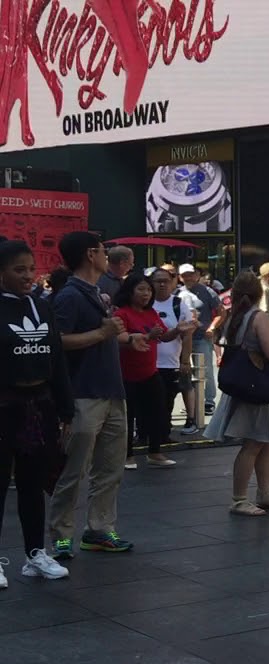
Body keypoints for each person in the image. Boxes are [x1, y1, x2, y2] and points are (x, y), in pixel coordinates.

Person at [48, 231, 136, 559]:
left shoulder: (98, 292)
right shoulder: (70, 295)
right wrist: (103, 332)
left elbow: (106, 335)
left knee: (110, 468)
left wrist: (126, 339)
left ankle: (99, 529)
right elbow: (58, 342)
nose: (107, 255)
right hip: (85, 393)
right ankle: (60, 534)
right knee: (75, 468)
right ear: (90, 254)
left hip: (111, 389)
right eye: (103, 250)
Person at [0, 240, 73, 588]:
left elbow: (57, 360)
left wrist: (65, 409)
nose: (28, 275)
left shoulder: (42, 307)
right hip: (4, 406)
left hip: (39, 405)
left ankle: (35, 555)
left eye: (31, 268)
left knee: (32, 484)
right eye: (19, 270)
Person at [205, 272, 269, 517]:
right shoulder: (259, 317)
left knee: (265, 441)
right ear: (259, 292)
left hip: (246, 384)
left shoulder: (235, 316)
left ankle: (262, 494)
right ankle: (241, 498)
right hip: (260, 386)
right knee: (256, 442)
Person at [113, 274, 185, 469]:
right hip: (127, 374)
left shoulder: (151, 313)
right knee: (128, 416)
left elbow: (164, 336)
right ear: (130, 291)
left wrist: (178, 330)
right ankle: (127, 455)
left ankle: (155, 452)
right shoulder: (122, 314)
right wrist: (147, 335)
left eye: (148, 290)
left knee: (157, 412)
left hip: (150, 372)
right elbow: (120, 338)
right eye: (141, 289)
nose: (146, 294)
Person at [150, 268, 201, 436]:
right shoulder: (145, 303)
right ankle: (147, 434)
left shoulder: (178, 304)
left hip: (170, 362)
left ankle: (162, 435)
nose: (162, 284)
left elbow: (187, 334)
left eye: (166, 280)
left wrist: (185, 360)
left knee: (167, 400)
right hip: (146, 363)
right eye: (158, 281)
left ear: (173, 282)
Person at [178, 263, 223, 416]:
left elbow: (221, 312)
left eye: (190, 274)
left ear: (196, 275)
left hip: (202, 337)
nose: (188, 278)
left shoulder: (207, 291)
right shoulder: (177, 293)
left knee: (206, 370)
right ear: (180, 277)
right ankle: (192, 401)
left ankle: (209, 401)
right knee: (186, 371)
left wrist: (212, 327)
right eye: (184, 275)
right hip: (183, 338)